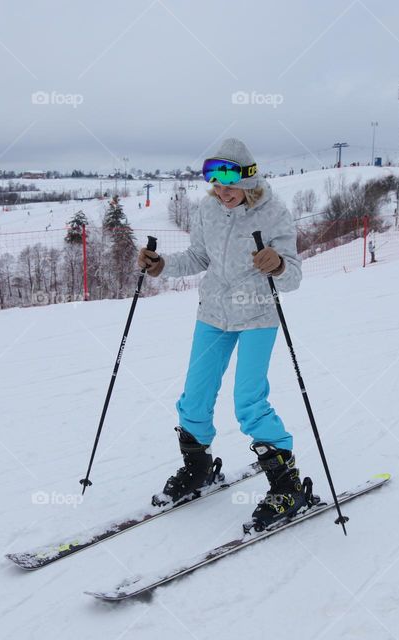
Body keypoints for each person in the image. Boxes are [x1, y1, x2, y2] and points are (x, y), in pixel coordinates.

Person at [136, 137, 307, 529]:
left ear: (250, 179)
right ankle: (199, 469)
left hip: (257, 316)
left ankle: (287, 485)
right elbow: (198, 257)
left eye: (230, 184)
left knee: (248, 401)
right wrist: (162, 265)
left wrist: (278, 264)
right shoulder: (207, 209)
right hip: (213, 313)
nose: (222, 192)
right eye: (216, 184)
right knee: (193, 398)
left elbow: (294, 276)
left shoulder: (274, 212)